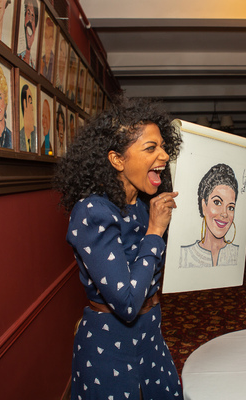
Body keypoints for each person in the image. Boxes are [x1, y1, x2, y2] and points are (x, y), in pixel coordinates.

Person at [54, 97, 184, 399]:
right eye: (151, 148)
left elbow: (171, 256)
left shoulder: (141, 207)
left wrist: (236, 219)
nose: (164, 155)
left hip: (151, 335)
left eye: (163, 146)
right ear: (117, 160)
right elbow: (126, 303)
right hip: (109, 345)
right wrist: (155, 230)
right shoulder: (91, 212)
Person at [179, 163, 239, 268]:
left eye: (230, 207)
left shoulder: (238, 254)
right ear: (204, 205)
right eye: (217, 202)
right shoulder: (184, 255)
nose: (224, 214)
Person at [18, 0, 38, 68]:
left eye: (33, 16)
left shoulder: (34, 68)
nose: (30, 20)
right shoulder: (17, 58)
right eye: (28, 14)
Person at [19, 84, 36, 152]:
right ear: (24, 104)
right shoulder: (19, 137)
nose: (33, 108)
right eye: (31, 102)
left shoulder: (36, 134)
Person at [40, 16, 55, 81]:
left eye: (50, 38)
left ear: (53, 40)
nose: (48, 41)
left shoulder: (55, 62)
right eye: (46, 37)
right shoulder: (40, 60)